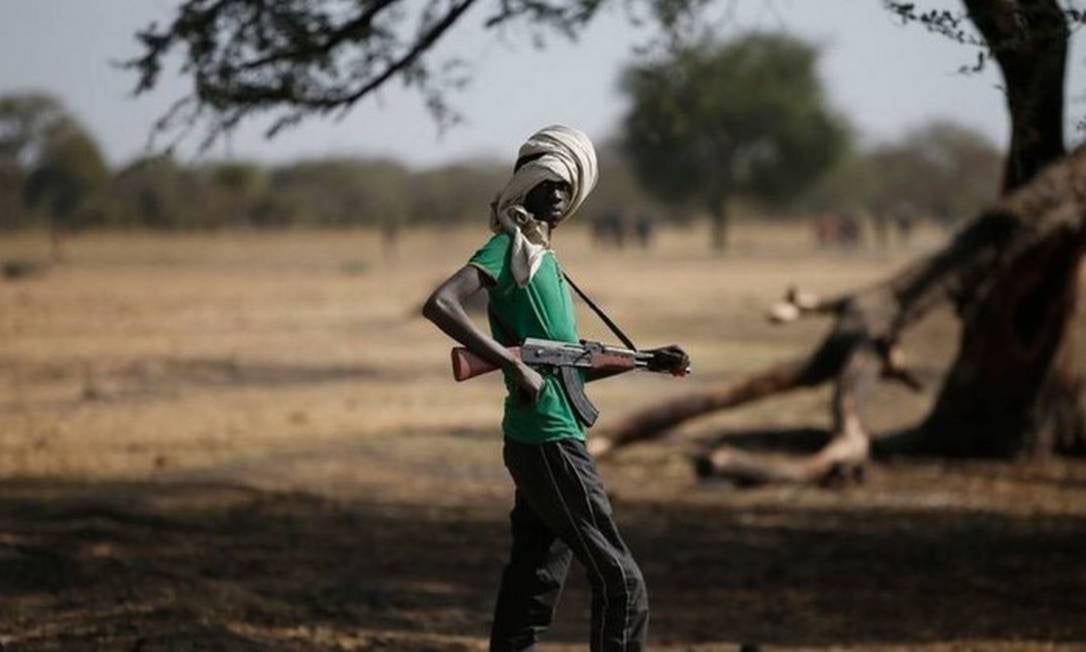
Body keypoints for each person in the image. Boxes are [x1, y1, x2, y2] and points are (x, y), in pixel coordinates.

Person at [422, 125, 688, 652]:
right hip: (549, 440)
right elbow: (441, 304)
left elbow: (571, 363)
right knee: (622, 581)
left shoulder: (544, 258)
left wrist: (646, 360)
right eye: (550, 183)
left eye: (567, 186)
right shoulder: (508, 247)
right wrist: (511, 363)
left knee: (533, 582)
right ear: (526, 185)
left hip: (542, 438)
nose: (560, 194)